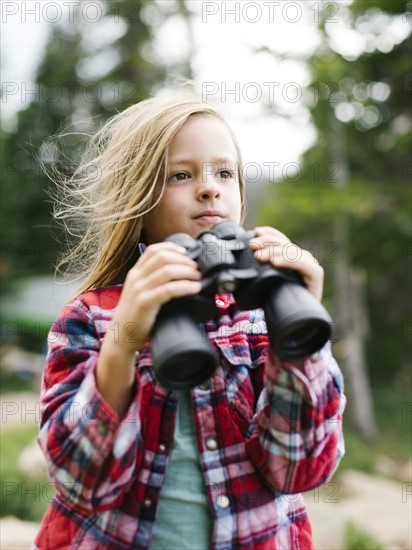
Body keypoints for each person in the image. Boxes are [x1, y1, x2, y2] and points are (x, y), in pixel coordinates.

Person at [34, 87, 345, 550]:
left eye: (225, 173)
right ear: (138, 200)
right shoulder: (92, 318)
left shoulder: (261, 316)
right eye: (181, 174)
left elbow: (300, 469)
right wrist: (123, 344)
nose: (209, 187)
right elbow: (80, 481)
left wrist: (297, 333)